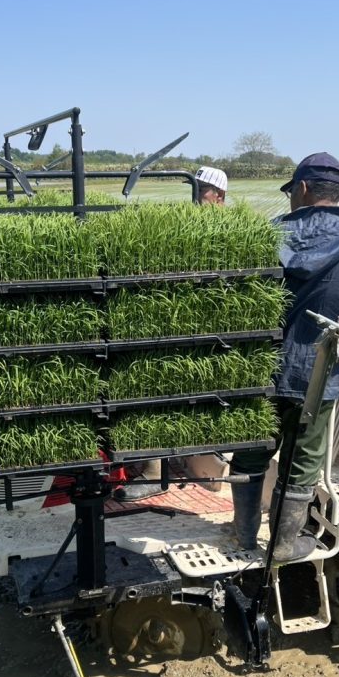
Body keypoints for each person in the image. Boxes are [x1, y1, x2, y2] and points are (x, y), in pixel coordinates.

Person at [230, 152, 339, 559]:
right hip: (317, 374)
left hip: (262, 369)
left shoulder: (269, 236)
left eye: (291, 191)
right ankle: (285, 543)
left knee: (251, 449)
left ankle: (243, 535)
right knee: (302, 458)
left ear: (302, 189)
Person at [116, 167, 229, 501]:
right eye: (194, 188)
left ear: (219, 195)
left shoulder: (227, 230)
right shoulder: (188, 224)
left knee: (161, 391)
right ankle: (157, 465)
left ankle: (157, 473)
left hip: (205, 330)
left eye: (203, 190)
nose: (196, 196)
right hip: (183, 325)